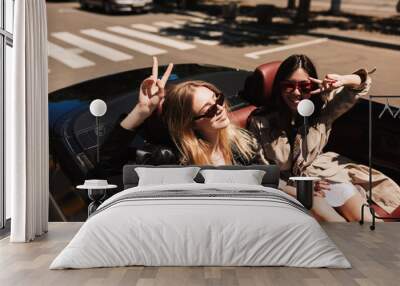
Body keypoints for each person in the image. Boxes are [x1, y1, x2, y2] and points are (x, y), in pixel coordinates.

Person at [248, 54, 400, 222]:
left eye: (304, 86)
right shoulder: (261, 121)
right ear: (279, 87)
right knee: (341, 226)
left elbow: (360, 85)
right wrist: (300, 186)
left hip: (323, 174)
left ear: (312, 86)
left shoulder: (322, 109)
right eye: (288, 86)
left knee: (369, 222)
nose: (296, 92)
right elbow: (263, 173)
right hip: (291, 188)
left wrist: (342, 80)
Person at [87, 57, 266, 179]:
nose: (219, 108)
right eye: (209, 109)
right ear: (190, 123)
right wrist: (141, 112)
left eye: (217, 98)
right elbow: (105, 169)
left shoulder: (244, 142)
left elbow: (266, 180)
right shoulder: (171, 159)